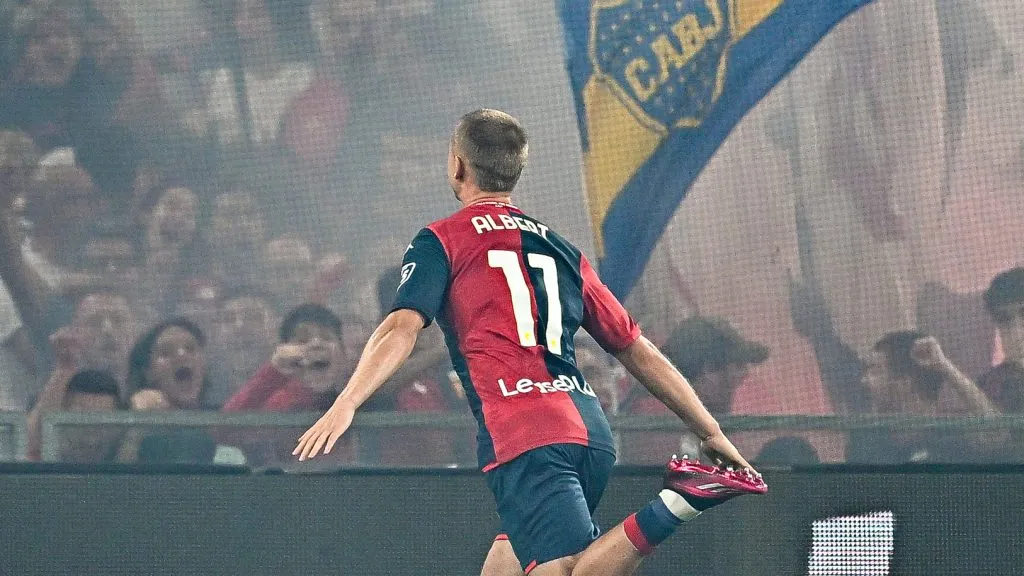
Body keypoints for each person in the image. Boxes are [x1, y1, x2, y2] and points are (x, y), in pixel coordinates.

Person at [295, 110, 765, 575]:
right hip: (590, 432)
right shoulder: (562, 249)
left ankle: (678, 502)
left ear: (457, 165)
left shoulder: (441, 240)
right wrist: (710, 430)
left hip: (527, 437)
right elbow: (635, 347)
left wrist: (347, 400)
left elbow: (400, 328)